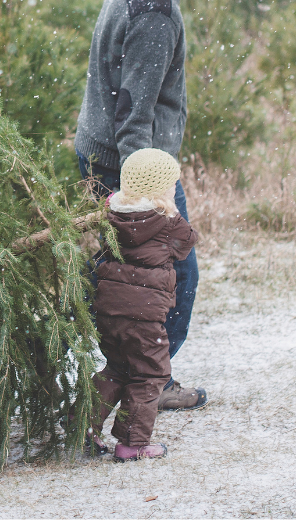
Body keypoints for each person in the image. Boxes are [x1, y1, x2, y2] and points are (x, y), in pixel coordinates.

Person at [73, 0, 231, 410]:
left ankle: (129, 375)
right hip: (133, 165)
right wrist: (151, 196)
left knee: (118, 276)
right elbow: (134, 112)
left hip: (102, 155)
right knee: (175, 274)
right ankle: (147, 380)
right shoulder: (155, 12)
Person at [90, 148, 199, 461]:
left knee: (116, 369)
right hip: (145, 315)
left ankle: (81, 424)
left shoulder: (111, 212)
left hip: (109, 309)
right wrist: (173, 210)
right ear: (163, 189)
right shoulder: (167, 222)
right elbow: (186, 245)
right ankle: (133, 444)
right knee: (149, 375)